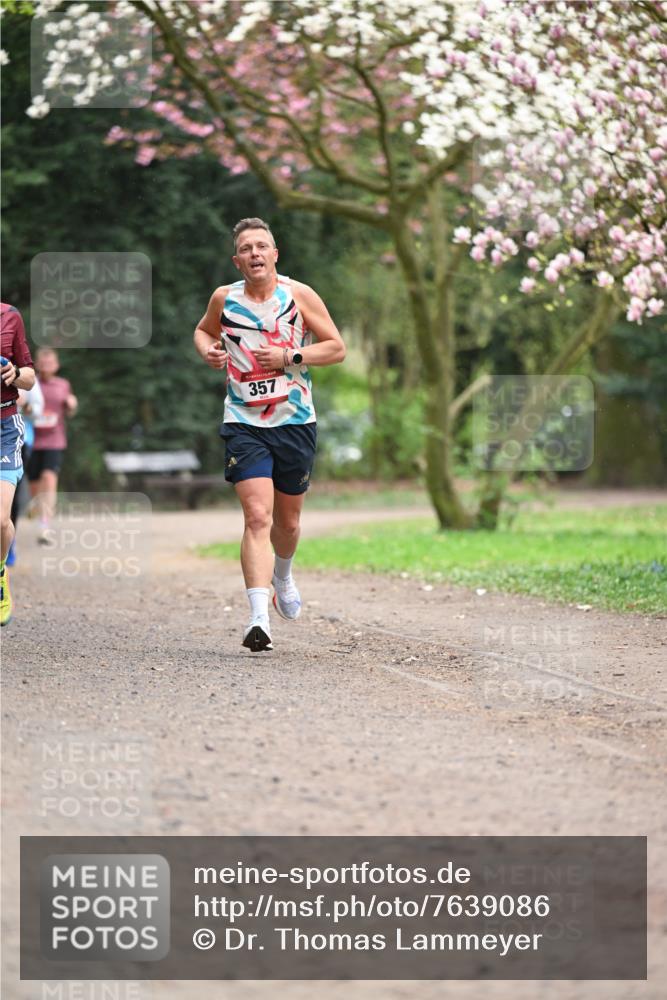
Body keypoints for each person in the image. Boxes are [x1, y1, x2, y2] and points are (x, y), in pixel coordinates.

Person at [194, 217, 346, 651]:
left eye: (262, 246)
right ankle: (258, 619)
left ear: (275, 254)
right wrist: (208, 350)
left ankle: (283, 573)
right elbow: (204, 330)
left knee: (288, 521)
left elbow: (335, 347)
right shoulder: (224, 298)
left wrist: (289, 355)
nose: (255, 253)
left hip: (295, 421)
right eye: (247, 248)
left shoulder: (298, 296)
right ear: (236, 259)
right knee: (257, 517)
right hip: (244, 421)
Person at [1, 302, 36, 626]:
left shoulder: (9, 316)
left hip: (4, 427)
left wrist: (15, 374)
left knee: (0, 521)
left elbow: (30, 376)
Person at [27, 346, 77, 545]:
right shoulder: (30, 383)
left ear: (56, 365)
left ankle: (44, 526)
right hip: (32, 439)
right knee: (34, 486)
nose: (47, 366)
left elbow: (69, 411)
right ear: (37, 364)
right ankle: (37, 510)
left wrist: (72, 404)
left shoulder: (63, 384)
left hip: (54, 440)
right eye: (43, 362)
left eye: (51, 362)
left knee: (49, 478)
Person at [6, 379, 44, 566]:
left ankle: (9, 543)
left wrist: (25, 404)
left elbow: (38, 411)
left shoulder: (26, 376)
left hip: (19, 441)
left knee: (10, 495)